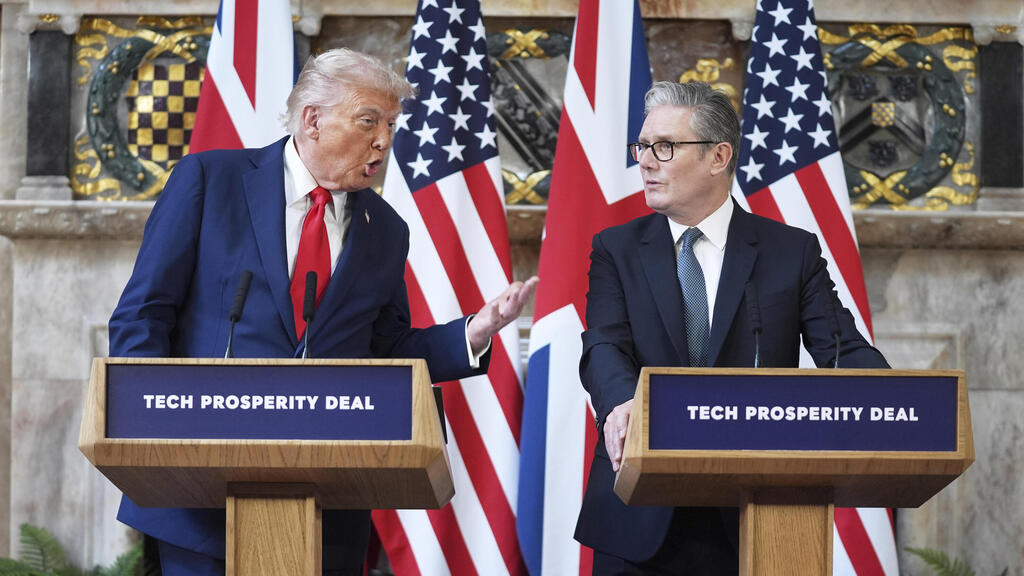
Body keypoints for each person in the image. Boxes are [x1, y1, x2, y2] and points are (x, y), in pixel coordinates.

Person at [108, 48, 537, 576]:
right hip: (200, 496)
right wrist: (146, 425)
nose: (383, 140)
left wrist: (474, 332)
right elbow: (145, 312)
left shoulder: (386, 229)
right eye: (368, 121)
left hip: (328, 505)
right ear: (312, 119)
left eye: (390, 125)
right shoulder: (211, 180)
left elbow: (387, 348)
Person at [573, 81, 888, 575]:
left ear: (718, 157)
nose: (646, 162)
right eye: (642, 146)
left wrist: (900, 403)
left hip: (758, 513)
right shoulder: (616, 248)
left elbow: (843, 351)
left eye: (664, 147)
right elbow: (604, 344)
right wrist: (619, 403)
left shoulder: (790, 252)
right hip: (639, 512)